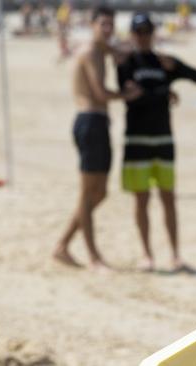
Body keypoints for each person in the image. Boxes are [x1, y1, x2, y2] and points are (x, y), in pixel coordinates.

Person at [117, 13, 196, 272]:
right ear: (132, 35)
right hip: (136, 138)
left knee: (168, 197)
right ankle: (147, 254)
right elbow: (131, 98)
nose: (143, 36)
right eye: (138, 32)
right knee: (141, 199)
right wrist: (163, 92)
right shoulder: (127, 63)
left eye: (147, 31)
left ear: (153, 33)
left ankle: (175, 255)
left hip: (163, 138)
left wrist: (176, 66)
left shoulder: (162, 62)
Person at [54, 6, 142, 270]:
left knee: (100, 192)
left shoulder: (100, 49)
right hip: (90, 121)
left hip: (99, 123)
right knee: (87, 192)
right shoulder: (90, 51)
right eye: (102, 24)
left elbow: (119, 52)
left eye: (110, 25)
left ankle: (62, 245)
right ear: (92, 24)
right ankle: (93, 257)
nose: (107, 29)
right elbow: (101, 93)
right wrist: (128, 95)